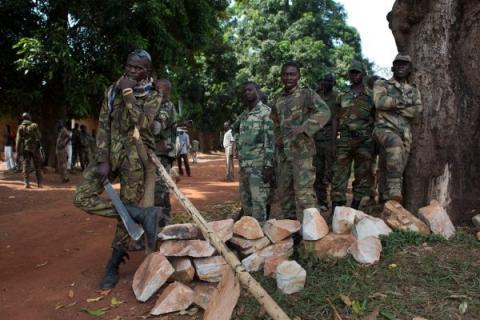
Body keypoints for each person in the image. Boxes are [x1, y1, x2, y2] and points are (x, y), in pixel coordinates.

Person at [73, 49, 165, 289]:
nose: (132, 71)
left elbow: (143, 124)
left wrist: (128, 93)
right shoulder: (111, 90)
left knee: (125, 212)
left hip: (135, 160)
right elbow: (104, 125)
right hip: (109, 156)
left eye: (138, 68)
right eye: (130, 65)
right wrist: (102, 159)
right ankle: (138, 214)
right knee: (81, 197)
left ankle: (113, 265)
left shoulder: (153, 94)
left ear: (148, 71)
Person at [270, 62, 331, 220]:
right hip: (283, 154)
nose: (289, 77)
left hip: (302, 152)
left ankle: (314, 232)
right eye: (286, 74)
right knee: (285, 194)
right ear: (281, 77)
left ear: (298, 76)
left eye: (292, 74)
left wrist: (305, 127)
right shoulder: (277, 99)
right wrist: (278, 141)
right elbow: (275, 123)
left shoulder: (307, 94)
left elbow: (324, 111)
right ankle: (293, 232)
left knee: (304, 194)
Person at [373, 53, 422, 203]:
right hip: (383, 128)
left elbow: (417, 111)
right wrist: (403, 103)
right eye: (398, 64)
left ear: (409, 69)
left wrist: (395, 107)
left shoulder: (413, 90)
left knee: (396, 165)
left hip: (405, 134)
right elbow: (379, 102)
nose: (401, 67)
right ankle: (394, 189)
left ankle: (386, 201)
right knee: (395, 144)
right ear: (392, 67)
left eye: (404, 64)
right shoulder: (382, 84)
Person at [331, 61, 375, 213]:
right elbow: (335, 118)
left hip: (364, 141)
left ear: (363, 74)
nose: (354, 75)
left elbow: (376, 118)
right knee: (338, 176)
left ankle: (354, 210)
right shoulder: (342, 95)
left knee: (362, 175)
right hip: (344, 140)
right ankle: (336, 210)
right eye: (352, 72)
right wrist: (333, 142)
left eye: (357, 72)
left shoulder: (372, 95)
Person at [231, 81, 274, 222]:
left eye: (250, 90)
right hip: (244, 165)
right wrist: (238, 143)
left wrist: (268, 165)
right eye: (244, 91)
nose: (247, 93)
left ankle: (260, 235)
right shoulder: (244, 114)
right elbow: (234, 128)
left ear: (257, 91)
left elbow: (270, 140)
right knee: (246, 201)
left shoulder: (266, 112)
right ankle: (248, 232)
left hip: (259, 165)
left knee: (259, 201)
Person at [313, 73, 339, 212]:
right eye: (324, 80)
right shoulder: (317, 95)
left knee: (332, 172)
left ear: (334, 83)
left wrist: (334, 143)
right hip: (316, 137)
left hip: (329, 138)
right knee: (318, 171)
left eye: (330, 81)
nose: (326, 82)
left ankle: (336, 202)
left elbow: (335, 119)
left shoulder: (336, 97)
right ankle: (322, 201)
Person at [153, 79, 177, 217]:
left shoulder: (166, 105)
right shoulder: (156, 103)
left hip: (162, 153)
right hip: (157, 152)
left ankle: (163, 220)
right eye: (155, 88)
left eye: (159, 88)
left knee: (160, 188)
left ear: (167, 90)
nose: (156, 91)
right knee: (156, 187)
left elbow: (157, 127)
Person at [16, 112, 43, 188]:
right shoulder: (34, 126)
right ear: (29, 117)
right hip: (35, 149)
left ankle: (26, 184)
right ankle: (39, 184)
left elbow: (18, 141)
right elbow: (39, 136)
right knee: (37, 166)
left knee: (26, 166)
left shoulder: (20, 127)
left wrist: (18, 152)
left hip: (26, 149)